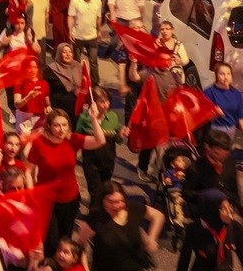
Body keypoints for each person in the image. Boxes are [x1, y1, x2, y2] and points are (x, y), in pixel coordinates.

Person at [24, 108, 107, 257]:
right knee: (51, 241)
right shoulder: (39, 143)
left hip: (70, 198)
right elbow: (28, 171)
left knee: (66, 238)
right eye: (56, 125)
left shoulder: (72, 139)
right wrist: (31, 194)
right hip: (47, 201)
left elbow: (100, 141)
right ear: (49, 125)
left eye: (64, 124)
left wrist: (94, 118)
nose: (61, 129)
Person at [73, 180, 163, 271]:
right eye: (110, 201)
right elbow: (80, 248)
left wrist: (152, 238)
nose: (115, 206)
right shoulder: (94, 218)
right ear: (102, 200)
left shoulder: (133, 209)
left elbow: (158, 216)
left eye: (119, 201)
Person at [175, 189, 243, 271]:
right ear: (212, 211)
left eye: (229, 206)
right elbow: (184, 260)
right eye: (223, 208)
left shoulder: (234, 227)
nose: (230, 211)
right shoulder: (194, 230)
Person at [76, 86, 123, 200]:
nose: (106, 104)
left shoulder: (113, 117)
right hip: (91, 162)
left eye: (107, 101)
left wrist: (121, 135)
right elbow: (77, 139)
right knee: (94, 191)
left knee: (106, 188)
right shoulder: (84, 119)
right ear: (93, 103)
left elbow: (117, 140)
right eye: (102, 101)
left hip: (108, 160)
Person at [183, 130, 243, 218]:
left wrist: (240, 210)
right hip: (206, 210)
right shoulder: (195, 168)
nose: (221, 158)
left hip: (228, 207)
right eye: (216, 153)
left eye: (225, 154)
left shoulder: (229, 162)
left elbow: (234, 189)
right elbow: (186, 192)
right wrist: (211, 197)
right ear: (208, 148)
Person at [204, 62, 243, 148]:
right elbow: (202, 116)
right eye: (222, 74)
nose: (226, 77)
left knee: (225, 154)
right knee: (218, 155)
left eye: (228, 74)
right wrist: (214, 114)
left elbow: (241, 117)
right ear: (216, 75)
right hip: (215, 131)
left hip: (231, 130)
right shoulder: (209, 92)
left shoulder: (236, 94)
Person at [66, 0, 103, 86]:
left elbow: (98, 18)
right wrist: (70, 31)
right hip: (78, 36)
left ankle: (95, 84)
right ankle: (77, 81)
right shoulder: (75, 1)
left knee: (94, 61)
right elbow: (71, 17)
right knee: (76, 61)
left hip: (92, 36)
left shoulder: (98, 2)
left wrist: (99, 31)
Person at [45, 43, 84, 120]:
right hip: (58, 108)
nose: (68, 54)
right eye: (64, 52)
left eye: (70, 52)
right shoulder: (51, 69)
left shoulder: (77, 66)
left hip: (75, 107)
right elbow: (45, 90)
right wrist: (47, 105)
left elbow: (83, 85)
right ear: (59, 54)